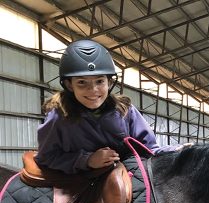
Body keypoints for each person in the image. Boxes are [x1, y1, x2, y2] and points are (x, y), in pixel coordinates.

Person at [35, 39, 177, 174]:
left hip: (125, 175)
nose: (93, 90)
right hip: (78, 180)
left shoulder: (125, 110)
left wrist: (176, 151)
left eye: (99, 81)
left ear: (109, 82)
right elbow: (46, 157)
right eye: (82, 82)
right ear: (69, 85)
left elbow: (149, 149)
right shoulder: (59, 116)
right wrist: (87, 160)